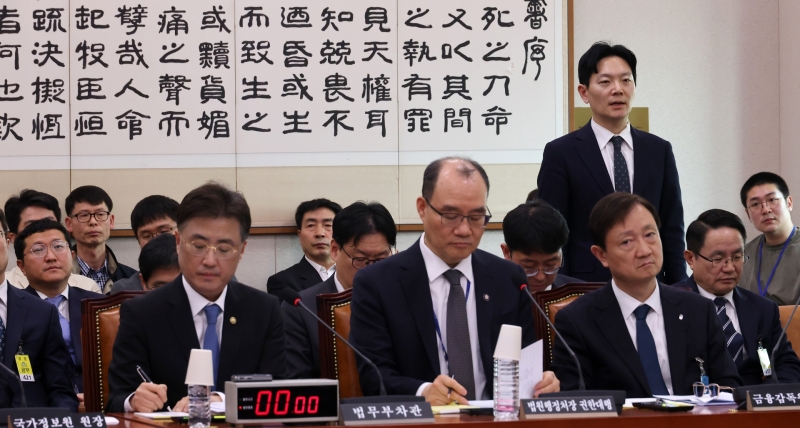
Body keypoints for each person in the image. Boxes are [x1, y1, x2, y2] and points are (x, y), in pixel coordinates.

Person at [350, 157, 560, 403]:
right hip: (423, 418)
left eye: (476, 217)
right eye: (451, 216)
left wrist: (542, 381)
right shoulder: (378, 282)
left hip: (496, 416)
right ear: (422, 208)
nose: (464, 230)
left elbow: (524, 363)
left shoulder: (507, 278)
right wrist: (423, 392)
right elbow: (374, 376)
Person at [106, 183, 286, 413]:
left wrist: (222, 400)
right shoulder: (142, 312)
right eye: (199, 246)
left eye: (224, 249)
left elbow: (277, 389)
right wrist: (133, 400)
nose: (209, 260)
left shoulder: (264, 310)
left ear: (241, 250)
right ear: (178, 242)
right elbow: (117, 398)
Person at [551, 193, 740, 397]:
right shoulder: (577, 321)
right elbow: (577, 401)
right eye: (627, 242)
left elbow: (728, 386)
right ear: (602, 255)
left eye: (650, 235)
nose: (644, 250)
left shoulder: (698, 310)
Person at [537, 42, 686, 284]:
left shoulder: (659, 150)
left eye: (626, 80)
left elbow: (672, 226)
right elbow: (554, 232)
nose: (618, 89)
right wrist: (563, 289)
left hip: (650, 282)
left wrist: (679, 286)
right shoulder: (561, 153)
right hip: (587, 286)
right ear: (584, 92)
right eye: (605, 82)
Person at [673, 209, 800, 385]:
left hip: (752, 398)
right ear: (690, 258)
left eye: (737, 257)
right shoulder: (671, 305)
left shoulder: (763, 309)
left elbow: (786, 363)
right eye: (718, 259)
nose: (730, 268)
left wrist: (766, 394)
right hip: (697, 398)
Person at [282, 201, 396, 379]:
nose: (371, 270)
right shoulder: (301, 309)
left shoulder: (404, 302)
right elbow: (298, 384)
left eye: (381, 259)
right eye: (360, 260)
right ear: (335, 250)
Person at [0, 209, 78, 410]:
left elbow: (60, 389)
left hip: (30, 419)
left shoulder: (41, 312)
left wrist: (60, 420)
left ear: (7, 242)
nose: (50, 257)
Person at [16, 219, 103, 399]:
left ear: (72, 255)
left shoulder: (100, 306)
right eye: (38, 250)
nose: (51, 257)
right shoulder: (12, 310)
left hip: (97, 401)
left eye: (58, 246)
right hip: (41, 405)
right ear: (21, 266)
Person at [4, 189, 101, 293]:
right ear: (13, 237)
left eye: (50, 223)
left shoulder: (88, 288)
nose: (43, 231)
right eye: (32, 226)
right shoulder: (4, 288)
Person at [739, 172, 800, 306]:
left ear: (789, 203)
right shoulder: (742, 256)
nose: (765, 210)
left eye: (772, 200)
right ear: (748, 214)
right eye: (755, 204)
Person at [267, 199, 342, 303]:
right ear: (300, 235)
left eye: (328, 225)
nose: (320, 233)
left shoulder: (356, 274)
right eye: (311, 225)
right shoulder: (282, 283)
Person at [65, 186, 136, 293]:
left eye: (100, 214)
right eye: (84, 215)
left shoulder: (131, 279)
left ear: (111, 221)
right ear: (69, 224)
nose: (93, 222)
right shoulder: (60, 280)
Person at [501, 200, 583, 292]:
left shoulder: (581, 294)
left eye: (551, 265)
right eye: (529, 267)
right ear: (507, 252)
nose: (540, 277)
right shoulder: (490, 294)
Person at [110, 195, 179, 294]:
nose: (156, 240)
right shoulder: (124, 290)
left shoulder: (198, 280)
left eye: (164, 231)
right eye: (146, 236)